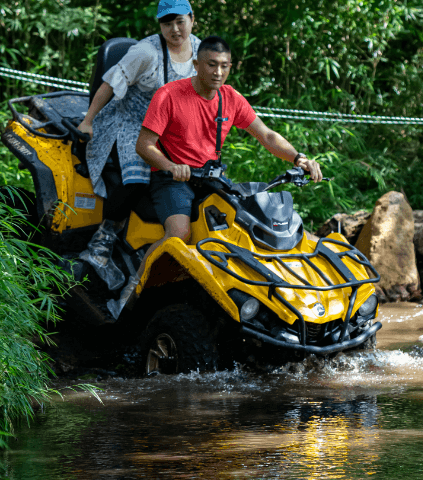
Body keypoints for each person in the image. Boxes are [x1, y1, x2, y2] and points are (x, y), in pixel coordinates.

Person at [106, 35, 324, 317]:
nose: (217, 72)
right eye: (211, 65)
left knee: (245, 227)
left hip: (211, 178)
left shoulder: (230, 98)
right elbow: (144, 145)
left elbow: (267, 135)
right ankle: (131, 292)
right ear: (196, 64)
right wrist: (171, 166)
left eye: (224, 66)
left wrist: (299, 158)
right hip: (173, 178)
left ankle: (254, 300)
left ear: (231, 66)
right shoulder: (170, 95)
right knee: (179, 234)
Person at [76, 0, 201, 291]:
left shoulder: (200, 51)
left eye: (180, 21)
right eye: (167, 23)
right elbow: (110, 83)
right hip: (131, 122)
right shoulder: (146, 52)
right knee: (137, 176)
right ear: (160, 25)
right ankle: (103, 241)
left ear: (192, 19)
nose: (175, 29)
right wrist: (88, 120)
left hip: (172, 128)